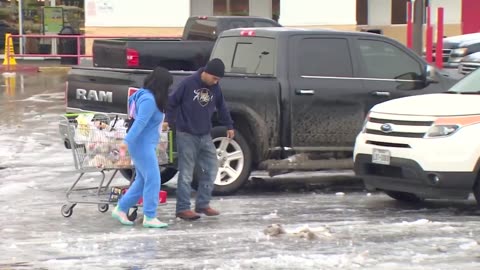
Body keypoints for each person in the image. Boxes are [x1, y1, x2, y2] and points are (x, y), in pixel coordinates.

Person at [164, 58, 234, 220]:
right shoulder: (188, 84)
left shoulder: (215, 88)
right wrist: (168, 120)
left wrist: (229, 125)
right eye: (214, 78)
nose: (216, 82)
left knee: (211, 168)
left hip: (204, 134)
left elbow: (222, 106)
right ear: (206, 73)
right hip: (186, 133)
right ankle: (182, 208)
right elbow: (172, 102)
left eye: (218, 80)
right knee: (187, 172)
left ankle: (203, 204)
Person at [111, 66, 173, 228]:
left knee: (142, 181)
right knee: (153, 179)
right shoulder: (149, 100)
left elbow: (145, 121)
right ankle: (150, 216)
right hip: (142, 145)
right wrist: (126, 142)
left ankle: (121, 208)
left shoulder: (145, 96)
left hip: (144, 144)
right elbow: (139, 123)